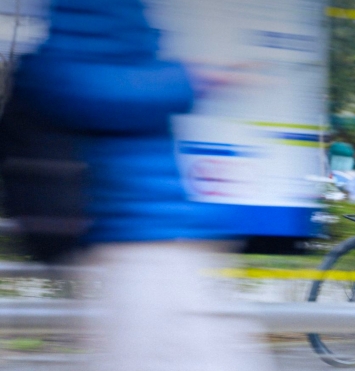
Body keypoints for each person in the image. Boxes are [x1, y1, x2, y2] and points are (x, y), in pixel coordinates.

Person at [0, 1, 277, 370]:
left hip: (158, 233)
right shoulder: (88, 21)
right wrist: (191, 80)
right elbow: (71, 83)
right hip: (136, 236)